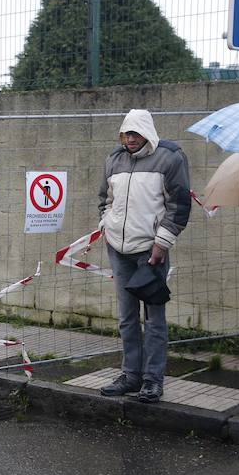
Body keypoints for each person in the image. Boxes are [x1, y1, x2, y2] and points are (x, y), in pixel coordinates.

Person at [97, 109, 191, 404]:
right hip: (119, 250)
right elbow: (104, 200)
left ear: (147, 133)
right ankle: (130, 376)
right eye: (125, 134)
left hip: (152, 252)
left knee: (154, 319)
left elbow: (179, 205)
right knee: (126, 318)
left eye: (135, 134)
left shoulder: (170, 158)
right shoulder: (114, 160)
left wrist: (162, 243)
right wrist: (106, 225)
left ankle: (152, 380)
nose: (129, 139)